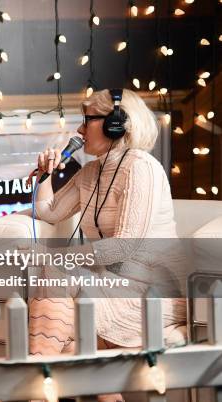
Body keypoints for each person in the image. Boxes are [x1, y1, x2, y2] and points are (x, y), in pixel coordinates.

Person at [26, 89, 187, 402]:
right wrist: (45, 175)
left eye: (87, 120)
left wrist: (56, 257)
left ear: (117, 124)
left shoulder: (141, 168)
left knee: (57, 290)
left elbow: (123, 247)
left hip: (153, 291)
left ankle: (33, 389)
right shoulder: (91, 172)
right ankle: (41, 390)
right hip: (109, 284)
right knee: (66, 323)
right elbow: (47, 211)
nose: (80, 129)